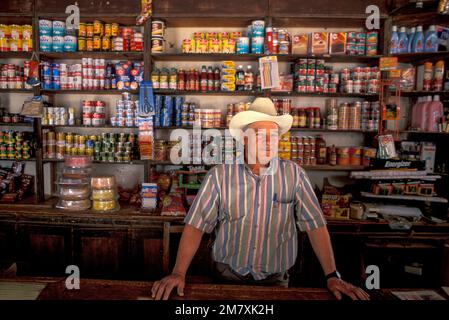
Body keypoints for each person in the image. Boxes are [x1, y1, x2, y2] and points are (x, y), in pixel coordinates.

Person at [151, 97, 369, 300]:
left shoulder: (294, 174)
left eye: (273, 136)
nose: (268, 142)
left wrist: (332, 275)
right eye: (259, 134)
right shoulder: (219, 175)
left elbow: (315, 226)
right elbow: (196, 225)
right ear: (245, 139)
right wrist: (178, 272)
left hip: (276, 280)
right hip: (227, 276)